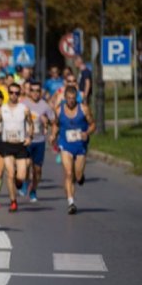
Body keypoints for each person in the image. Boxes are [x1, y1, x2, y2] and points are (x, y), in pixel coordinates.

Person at [50, 85, 95, 214]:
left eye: (73, 98)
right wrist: (53, 135)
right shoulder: (59, 110)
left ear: (76, 98)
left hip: (80, 145)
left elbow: (93, 125)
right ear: (65, 98)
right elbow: (55, 125)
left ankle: (80, 178)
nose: (70, 101)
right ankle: (71, 203)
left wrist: (87, 133)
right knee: (68, 173)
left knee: (78, 175)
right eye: (68, 98)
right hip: (65, 144)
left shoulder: (84, 109)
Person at [0, 83, 34, 212]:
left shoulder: (24, 109)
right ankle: (13, 201)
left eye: (16, 93)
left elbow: (30, 124)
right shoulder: (2, 109)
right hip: (7, 144)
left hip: (20, 145)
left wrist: (30, 136)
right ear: (8, 93)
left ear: (19, 94)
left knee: (21, 176)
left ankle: (19, 183)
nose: (14, 95)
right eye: (11, 92)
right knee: (10, 174)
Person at [21, 81, 55, 202]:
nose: (35, 93)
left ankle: (33, 189)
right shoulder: (23, 103)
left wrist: (52, 132)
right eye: (33, 90)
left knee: (37, 170)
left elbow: (53, 121)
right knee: (25, 165)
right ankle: (25, 182)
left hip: (39, 140)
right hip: (26, 140)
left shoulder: (44, 105)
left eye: (37, 91)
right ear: (29, 91)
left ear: (40, 92)